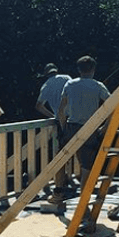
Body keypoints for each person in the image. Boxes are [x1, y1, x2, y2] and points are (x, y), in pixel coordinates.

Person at [54, 55, 110, 198]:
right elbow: (113, 106)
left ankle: (58, 190)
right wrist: (105, 127)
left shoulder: (70, 84)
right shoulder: (98, 86)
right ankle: (83, 197)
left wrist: (63, 127)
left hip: (72, 127)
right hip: (90, 128)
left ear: (79, 70)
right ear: (93, 69)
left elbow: (61, 110)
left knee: (61, 158)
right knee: (87, 165)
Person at [36, 62, 72, 194]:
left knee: (62, 150)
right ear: (56, 71)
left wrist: (53, 115)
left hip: (59, 121)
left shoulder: (46, 86)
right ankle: (72, 179)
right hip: (73, 118)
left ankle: (61, 182)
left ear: (46, 75)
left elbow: (39, 106)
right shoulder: (67, 78)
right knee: (77, 147)